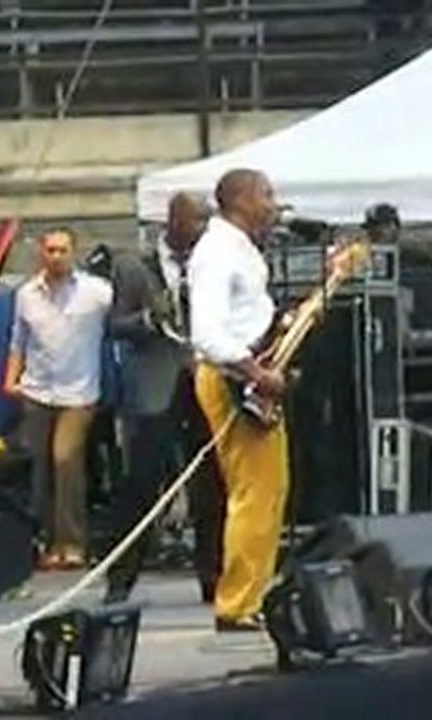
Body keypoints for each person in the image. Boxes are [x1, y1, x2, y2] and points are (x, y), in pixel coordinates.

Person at [103, 192, 225, 605]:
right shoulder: (134, 265)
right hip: (155, 385)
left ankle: (214, 577)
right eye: (195, 221)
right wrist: (149, 321)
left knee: (212, 482)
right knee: (141, 484)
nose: (202, 230)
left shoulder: (211, 264)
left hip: (204, 380)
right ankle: (120, 579)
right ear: (172, 221)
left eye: (206, 222)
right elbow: (116, 324)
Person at [189, 169, 288, 632]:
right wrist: (254, 372)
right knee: (252, 492)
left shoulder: (241, 247)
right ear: (241, 199)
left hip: (250, 371)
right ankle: (236, 602)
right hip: (232, 377)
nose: (273, 203)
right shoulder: (215, 253)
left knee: (270, 489)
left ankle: (252, 593)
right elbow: (207, 332)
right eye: (266, 194)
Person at [4, 227, 113, 571]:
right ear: (41, 252)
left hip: (79, 392)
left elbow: (120, 322)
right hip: (37, 389)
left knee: (65, 460)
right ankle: (45, 541)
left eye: (62, 250)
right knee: (37, 467)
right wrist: (11, 380)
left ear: (74, 253)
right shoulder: (26, 295)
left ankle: (73, 542)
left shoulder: (96, 293)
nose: (56, 256)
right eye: (50, 250)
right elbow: (17, 342)